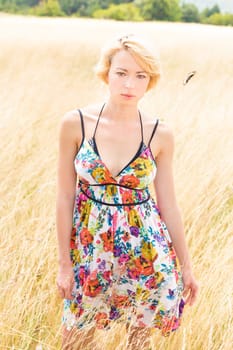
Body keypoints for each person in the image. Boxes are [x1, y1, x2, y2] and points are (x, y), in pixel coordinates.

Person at [56, 34, 199, 350]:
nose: (130, 84)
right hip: (88, 249)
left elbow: (169, 205)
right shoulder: (75, 124)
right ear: (106, 72)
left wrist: (186, 265)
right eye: (121, 73)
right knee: (75, 341)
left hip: (146, 251)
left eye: (141, 76)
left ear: (151, 81)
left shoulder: (160, 133)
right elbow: (65, 197)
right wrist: (64, 263)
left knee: (139, 343)